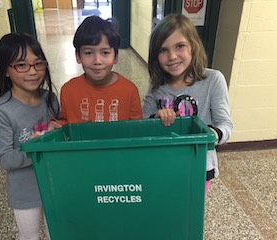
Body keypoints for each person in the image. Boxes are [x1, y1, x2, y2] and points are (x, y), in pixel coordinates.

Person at [142, 13, 233, 196]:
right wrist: (156, 118)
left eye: (180, 46)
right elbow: (143, 123)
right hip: (163, 163)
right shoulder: (157, 84)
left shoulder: (213, 80)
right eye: (163, 50)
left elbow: (226, 125)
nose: (172, 56)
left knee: (189, 212)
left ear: (193, 45)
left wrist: (212, 134)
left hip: (198, 165)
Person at [0, 32, 61, 240]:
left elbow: (58, 146)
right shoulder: (0, 110)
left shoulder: (50, 99)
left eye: (38, 64)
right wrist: (34, 146)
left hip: (53, 184)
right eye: (21, 65)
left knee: (57, 233)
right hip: (24, 192)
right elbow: (5, 159)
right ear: (6, 71)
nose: (32, 72)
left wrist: (58, 132)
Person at [58, 15, 142, 124]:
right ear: (78, 56)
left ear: (116, 56)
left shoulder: (130, 90)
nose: (97, 61)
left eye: (105, 53)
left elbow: (136, 130)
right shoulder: (68, 91)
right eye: (88, 53)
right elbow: (64, 124)